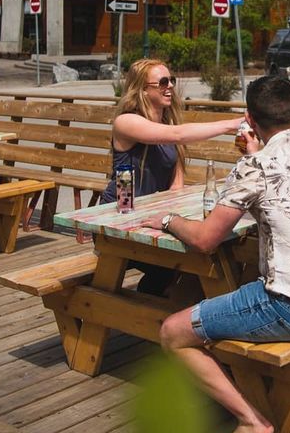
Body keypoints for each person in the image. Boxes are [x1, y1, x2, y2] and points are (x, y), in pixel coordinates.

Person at [147, 75, 290, 433]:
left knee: (173, 332)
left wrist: (166, 220)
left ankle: (252, 422)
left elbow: (206, 239)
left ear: (249, 118)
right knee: (238, 292)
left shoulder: (256, 166)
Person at [101, 58, 244, 295]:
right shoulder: (126, 121)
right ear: (143, 90)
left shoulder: (168, 121)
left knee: (200, 252)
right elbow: (177, 135)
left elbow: (176, 184)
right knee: (181, 262)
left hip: (150, 215)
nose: (170, 87)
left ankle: (156, 310)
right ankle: (144, 313)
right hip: (120, 213)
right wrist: (233, 124)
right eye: (162, 82)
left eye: (172, 80)